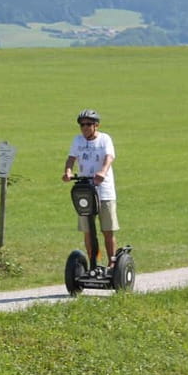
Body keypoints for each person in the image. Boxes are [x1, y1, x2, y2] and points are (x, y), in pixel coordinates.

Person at [62, 109, 119, 267]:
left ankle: (112, 263)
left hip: (104, 190)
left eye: (88, 124)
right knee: (88, 231)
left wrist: (102, 171)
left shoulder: (104, 139)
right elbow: (71, 158)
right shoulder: (78, 140)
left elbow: (109, 157)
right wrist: (68, 171)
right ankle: (94, 263)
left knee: (107, 230)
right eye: (82, 125)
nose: (85, 127)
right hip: (86, 191)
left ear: (96, 125)